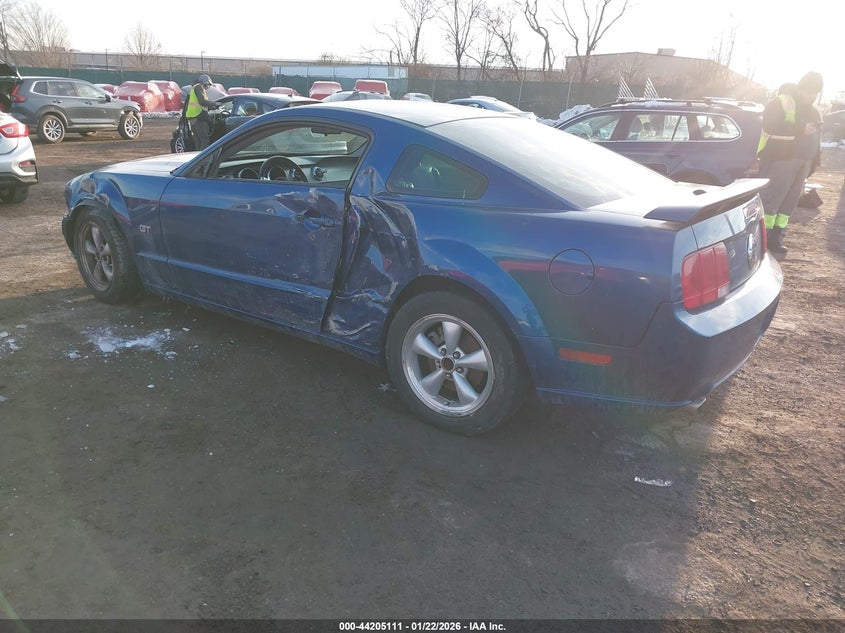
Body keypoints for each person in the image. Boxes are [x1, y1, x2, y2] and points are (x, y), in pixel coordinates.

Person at [756, 71, 824, 254]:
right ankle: (762, 238)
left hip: (804, 162)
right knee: (772, 200)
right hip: (782, 159)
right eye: (809, 91)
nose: (811, 96)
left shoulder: (815, 110)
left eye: (815, 93)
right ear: (801, 88)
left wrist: (813, 163)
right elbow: (769, 125)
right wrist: (801, 128)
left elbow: (816, 138)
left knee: (789, 204)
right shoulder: (781, 102)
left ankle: (777, 237)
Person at [184, 73, 219, 151]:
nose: (208, 87)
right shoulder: (199, 87)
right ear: (204, 82)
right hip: (199, 117)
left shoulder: (194, 88)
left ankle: (198, 155)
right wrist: (215, 104)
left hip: (193, 118)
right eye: (208, 85)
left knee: (198, 140)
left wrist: (210, 107)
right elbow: (202, 102)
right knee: (204, 140)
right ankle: (204, 156)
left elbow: (199, 104)